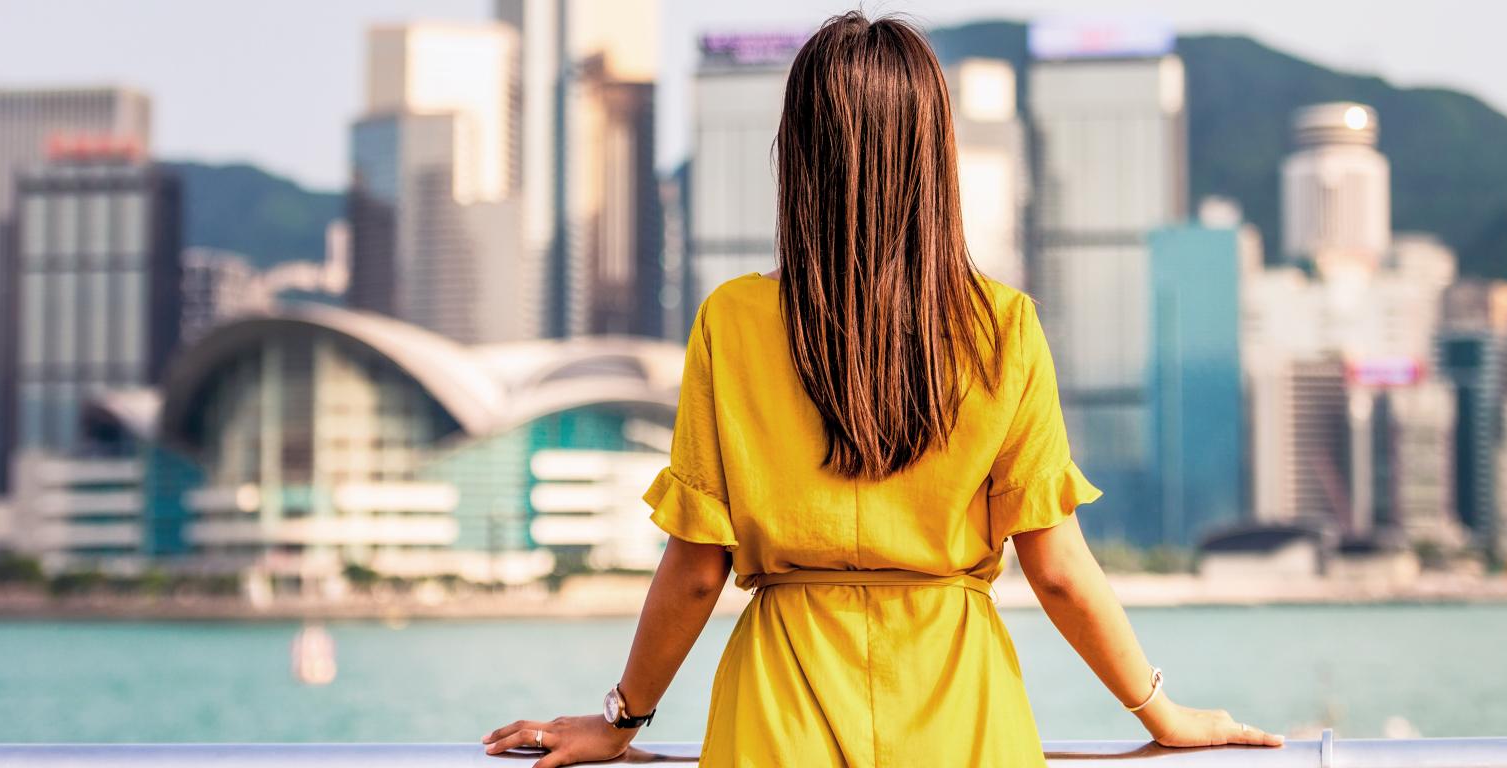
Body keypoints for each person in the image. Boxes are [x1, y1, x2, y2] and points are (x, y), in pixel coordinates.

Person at [485, 11, 1281, 767]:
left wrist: (621, 722)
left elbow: (697, 570)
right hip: (960, 707)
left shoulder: (732, 321)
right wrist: (1162, 716)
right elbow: (1061, 571)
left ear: (797, 153)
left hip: (778, 709)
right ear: (937, 154)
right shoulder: (1003, 326)